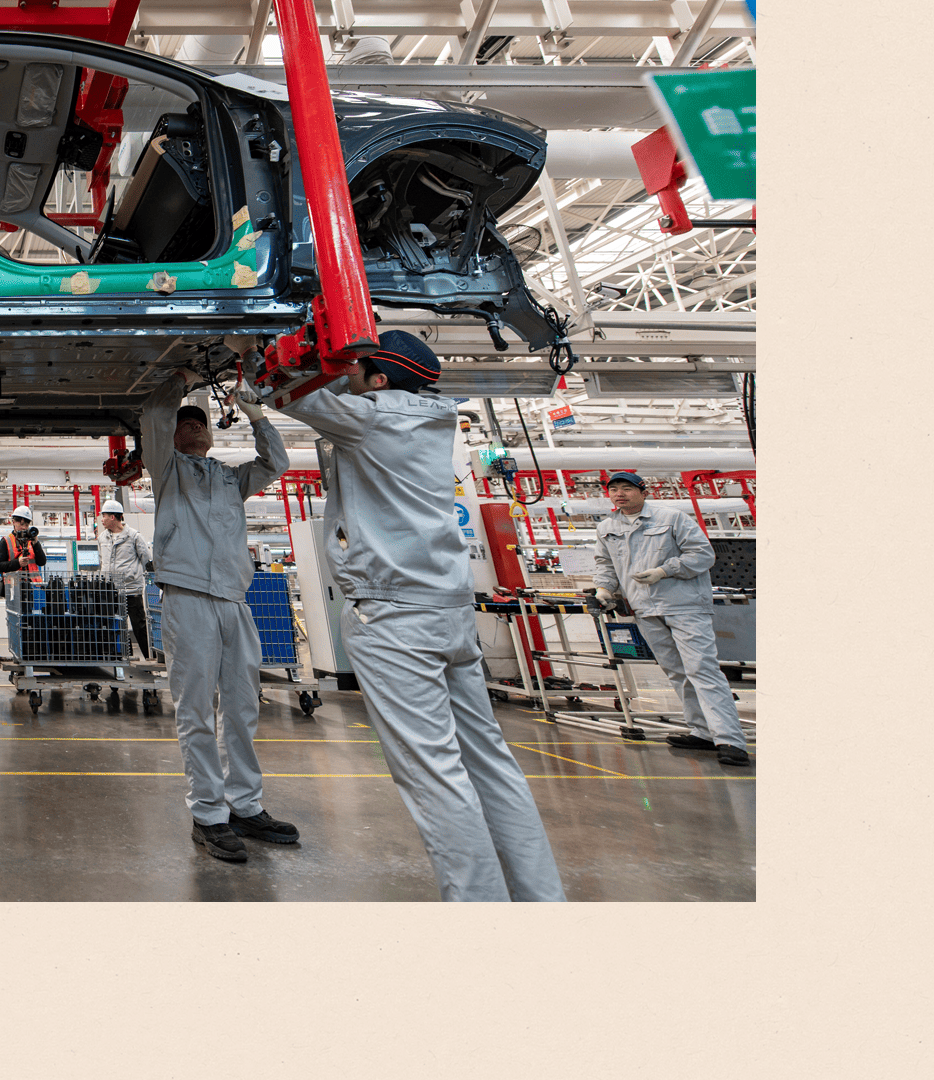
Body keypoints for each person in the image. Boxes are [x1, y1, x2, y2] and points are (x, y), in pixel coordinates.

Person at [280, 330, 566, 901]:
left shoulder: (373, 418)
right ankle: (540, 902)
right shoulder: (431, 421)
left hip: (396, 621)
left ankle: (479, 914)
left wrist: (251, 341)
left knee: (433, 774)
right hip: (449, 614)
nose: (345, 375)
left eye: (353, 368)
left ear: (379, 380)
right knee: (490, 764)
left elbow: (288, 392)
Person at [141, 369, 298, 864]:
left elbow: (278, 461)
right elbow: (153, 418)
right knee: (196, 711)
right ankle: (208, 813)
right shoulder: (167, 471)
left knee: (242, 707)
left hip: (234, 599)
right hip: (187, 598)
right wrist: (178, 384)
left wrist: (257, 415)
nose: (196, 427)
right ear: (174, 435)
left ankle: (245, 805)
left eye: (201, 421)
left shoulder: (230, 478)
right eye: (186, 423)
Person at [592, 472, 749, 766]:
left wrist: (666, 570)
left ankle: (730, 739)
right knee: (676, 671)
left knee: (702, 669)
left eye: (627, 488)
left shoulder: (671, 518)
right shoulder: (606, 528)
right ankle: (703, 732)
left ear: (643, 491)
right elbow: (605, 563)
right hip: (645, 609)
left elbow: (703, 555)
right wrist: (604, 589)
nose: (619, 494)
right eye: (614, 489)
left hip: (684, 605)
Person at [94, 500, 154, 661]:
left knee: (139, 626)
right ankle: (121, 658)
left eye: (104, 515)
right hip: (110, 590)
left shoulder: (134, 536)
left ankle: (150, 659)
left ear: (113, 517)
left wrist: (152, 583)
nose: (102, 519)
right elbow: (102, 561)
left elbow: (147, 560)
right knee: (113, 626)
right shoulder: (102, 538)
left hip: (131, 589)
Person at [0, 507, 45, 580]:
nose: (24, 528)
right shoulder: (5, 542)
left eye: (26, 525)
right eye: (21, 524)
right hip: (13, 587)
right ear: (14, 522)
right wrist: (17, 563)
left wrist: (36, 543)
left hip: (33, 587)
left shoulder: (31, 541)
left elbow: (42, 562)